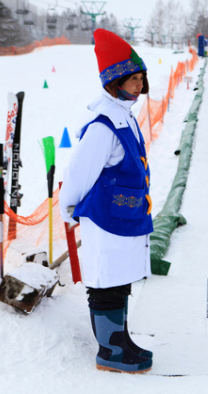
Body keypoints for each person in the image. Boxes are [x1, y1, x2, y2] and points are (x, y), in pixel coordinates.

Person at [59, 29, 154, 374]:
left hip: (123, 216)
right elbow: (80, 173)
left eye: (141, 78)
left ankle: (121, 340)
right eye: (134, 79)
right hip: (105, 219)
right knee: (105, 281)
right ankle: (109, 350)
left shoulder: (123, 113)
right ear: (116, 82)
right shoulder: (102, 125)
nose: (139, 86)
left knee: (120, 279)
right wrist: (68, 208)